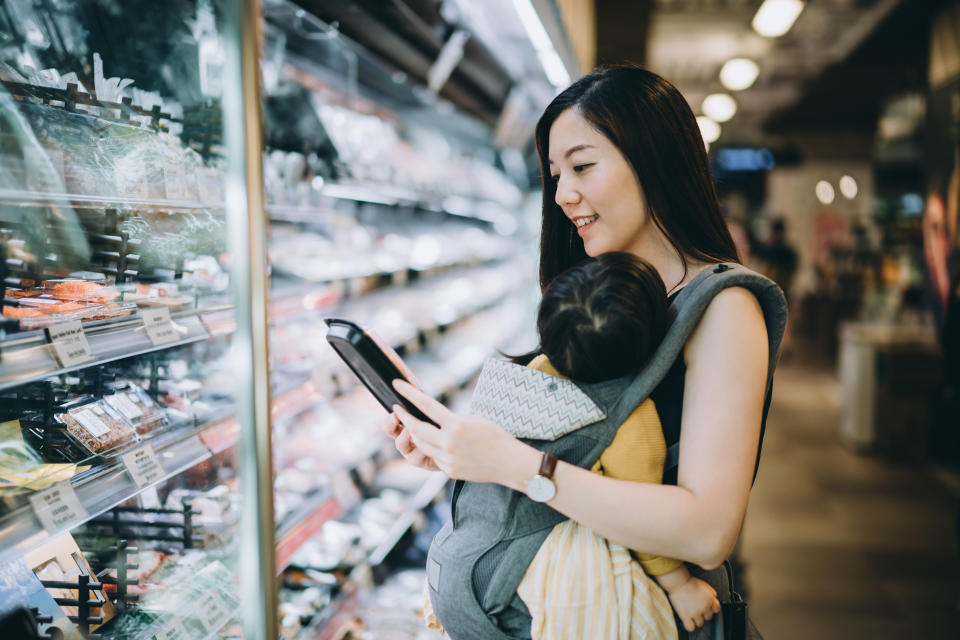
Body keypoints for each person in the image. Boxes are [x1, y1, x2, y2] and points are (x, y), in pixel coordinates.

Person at [385, 65, 781, 639]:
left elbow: (707, 532)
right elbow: (579, 456)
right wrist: (458, 456)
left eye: (583, 166)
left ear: (653, 159)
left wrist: (517, 466)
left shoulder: (722, 308)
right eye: (554, 173)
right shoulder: (594, 291)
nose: (563, 194)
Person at [423, 251, 721, 638]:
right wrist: (680, 586)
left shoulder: (535, 371)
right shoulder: (631, 418)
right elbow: (639, 521)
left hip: (458, 565)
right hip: (528, 587)